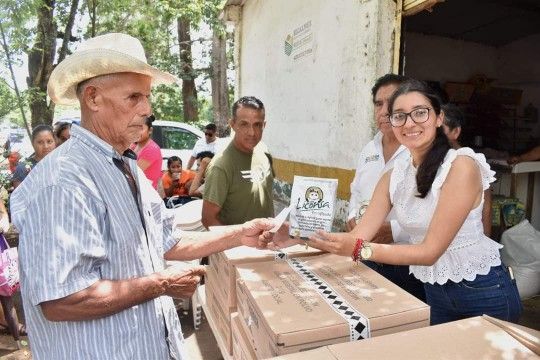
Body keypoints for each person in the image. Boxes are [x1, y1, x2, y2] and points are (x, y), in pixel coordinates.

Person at [10, 32, 277, 359]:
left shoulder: (123, 165)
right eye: (134, 96)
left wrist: (240, 233)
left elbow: (168, 240)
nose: (147, 109)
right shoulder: (65, 179)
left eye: (147, 96)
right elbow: (63, 300)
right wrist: (161, 283)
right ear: (93, 98)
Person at [303, 79, 522, 326]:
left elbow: (429, 252)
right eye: (400, 116)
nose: (409, 123)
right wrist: (300, 235)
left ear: (439, 117)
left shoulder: (460, 166)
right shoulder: (394, 175)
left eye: (420, 113)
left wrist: (358, 250)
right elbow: (359, 235)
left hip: (483, 289)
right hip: (434, 290)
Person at [347, 74, 425, 301]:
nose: (384, 110)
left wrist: (394, 230)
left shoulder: (418, 150)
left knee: (407, 325)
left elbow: (434, 210)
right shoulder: (368, 150)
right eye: (378, 104)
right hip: (367, 255)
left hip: (407, 261)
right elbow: (356, 192)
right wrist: (353, 217)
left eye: (391, 102)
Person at [202, 96, 274, 227]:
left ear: (264, 125)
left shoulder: (264, 151)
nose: (251, 132)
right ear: (232, 124)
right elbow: (208, 220)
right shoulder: (221, 165)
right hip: (238, 246)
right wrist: (235, 245)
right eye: (244, 124)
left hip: (268, 242)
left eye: (257, 125)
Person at [442, 103, 492, 236]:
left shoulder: (469, 162)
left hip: (465, 245)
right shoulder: (428, 160)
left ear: (456, 131)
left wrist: (486, 246)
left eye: (440, 129)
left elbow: (485, 212)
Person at [11, 125, 56, 189]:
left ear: (55, 142)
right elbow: (19, 197)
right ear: (33, 144)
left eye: (49, 141)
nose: (46, 146)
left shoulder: (61, 163)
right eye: (40, 142)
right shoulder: (23, 168)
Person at [131, 114, 163, 189]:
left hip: (145, 193)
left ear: (150, 130)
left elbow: (133, 173)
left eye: (141, 128)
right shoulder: (133, 145)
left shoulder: (152, 149)